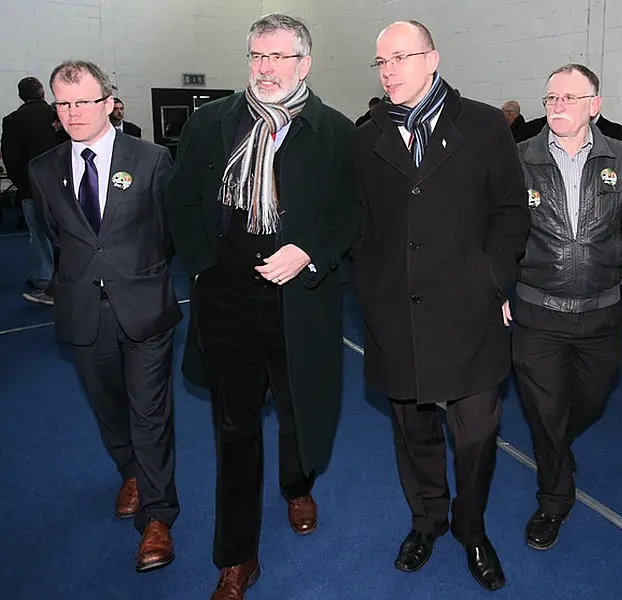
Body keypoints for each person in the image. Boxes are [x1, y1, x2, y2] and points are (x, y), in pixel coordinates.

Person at [165, 14, 358, 600]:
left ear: (304, 63)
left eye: (278, 58)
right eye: (256, 56)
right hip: (227, 303)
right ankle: (236, 557)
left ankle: (298, 484)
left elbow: (351, 212)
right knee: (234, 428)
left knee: (300, 413)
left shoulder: (336, 131)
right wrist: (203, 266)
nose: (265, 68)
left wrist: (307, 251)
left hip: (300, 304)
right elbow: (181, 198)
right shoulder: (211, 122)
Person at [352, 20, 529, 592]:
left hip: (470, 313)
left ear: (433, 59)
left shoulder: (481, 125)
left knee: (476, 433)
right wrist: (371, 289)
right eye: (381, 62)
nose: (390, 71)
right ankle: (426, 519)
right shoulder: (367, 135)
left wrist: (492, 281)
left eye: (402, 58)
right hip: (397, 313)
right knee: (413, 430)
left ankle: (470, 527)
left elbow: (510, 212)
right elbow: (359, 224)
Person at [28, 60, 181, 572]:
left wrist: (137, 272)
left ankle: (159, 517)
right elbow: (58, 235)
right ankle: (129, 472)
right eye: (63, 103)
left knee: (150, 412)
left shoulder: (153, 158)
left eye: (83, 102)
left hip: (143, 307)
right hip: (81, 311)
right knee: (108, 407)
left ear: (110, 103)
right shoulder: (43, 168)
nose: (72, 112)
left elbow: (168, 230)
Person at [505, 63, 622, 551]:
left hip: (601, 311)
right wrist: (494, 290)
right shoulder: (516, 159)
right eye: (551, 99)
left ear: (594, 105)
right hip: (537, 311)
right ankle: (554, 500)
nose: (557, 108)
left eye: (570, 98)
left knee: (589, 399)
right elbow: (494, 233)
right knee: (544, 409)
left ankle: (556, 446)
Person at [1, 76, 60, 305]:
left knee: (39, 234)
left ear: (20, 96)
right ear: (43, 92)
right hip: (63, 184)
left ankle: (44, 277)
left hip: (31, 187)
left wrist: (22, 182)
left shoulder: (12, 120)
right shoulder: (57, 114)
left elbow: (10, 157)